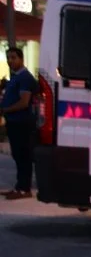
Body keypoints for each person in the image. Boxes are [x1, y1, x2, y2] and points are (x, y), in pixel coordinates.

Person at [1, 48, 38, 200]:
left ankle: (24, 189)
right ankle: (19, 186)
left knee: (23, 156)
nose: (10, 61)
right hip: (13, 122)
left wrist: (5, 110)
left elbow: (24, 102)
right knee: (18, 155)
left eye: (13, 57)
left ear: (21, 59)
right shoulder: (15, 77)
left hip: (22, 123)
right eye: (8, 58)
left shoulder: (24, 78)